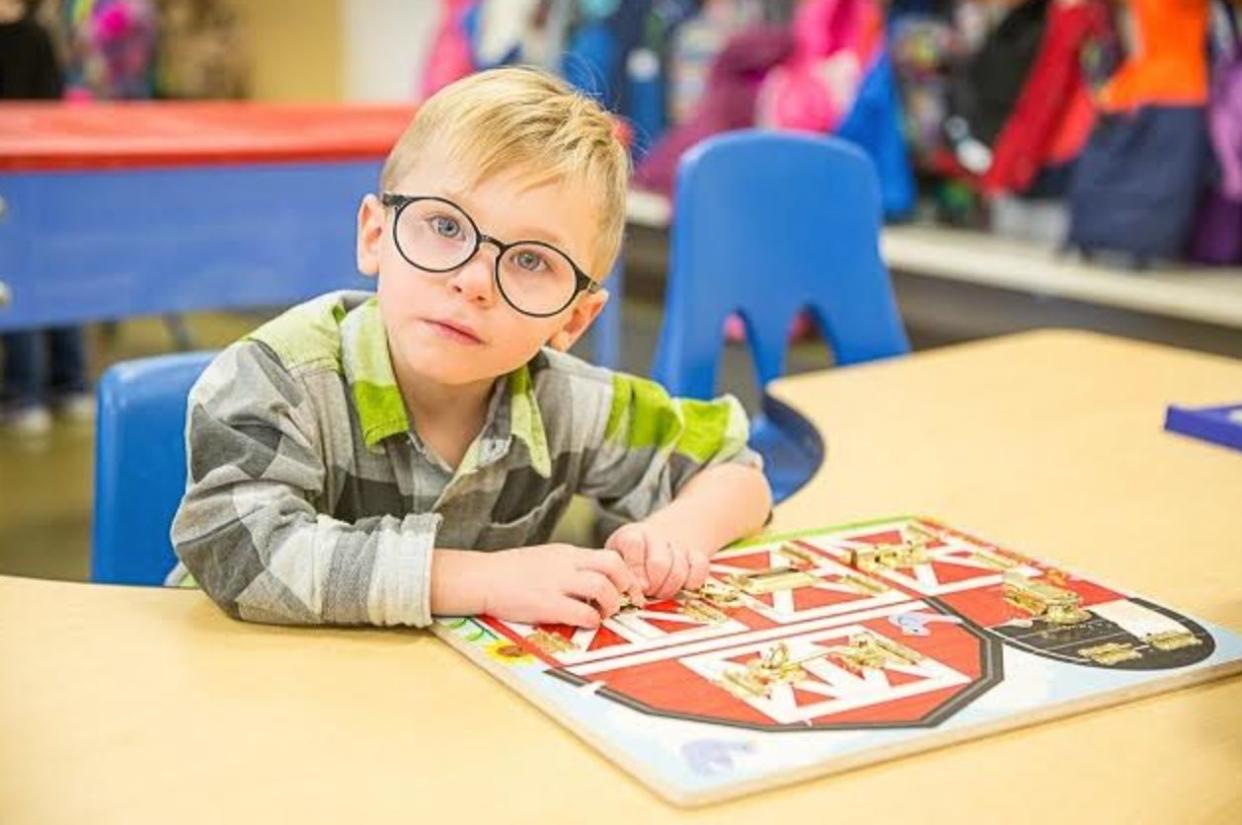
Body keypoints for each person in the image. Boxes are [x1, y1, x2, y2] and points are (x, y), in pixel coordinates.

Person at [168, 66, 772, 629]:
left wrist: (676, 532)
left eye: (532, 260)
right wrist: (476, 579)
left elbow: (734, 468)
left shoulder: (565, 400)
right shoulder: (277, 380)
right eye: (446, 226)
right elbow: (237, 550)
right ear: (376, 235)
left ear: (575, 318)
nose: (474, 282)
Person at [0, 0, 94, 436]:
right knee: (36, 279)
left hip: (27, 177)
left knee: (30, 279)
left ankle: (40, 390)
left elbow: (49, 103)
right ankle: (50, 388)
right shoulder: (39, 35)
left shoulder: (32, 36)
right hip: (31, 177)